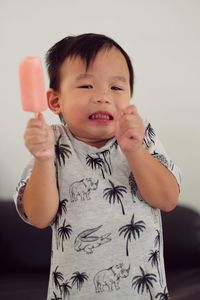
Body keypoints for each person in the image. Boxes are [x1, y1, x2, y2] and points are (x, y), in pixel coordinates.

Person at [14, 33, 181, 300]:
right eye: (86, 86)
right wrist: (44, 159)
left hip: (143, 292)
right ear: (56, 101)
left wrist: (134, 150)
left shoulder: (141, 135)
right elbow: (39, 216)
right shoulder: (50, 143)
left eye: (116, 88)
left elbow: (168, 199)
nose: (103, 96)